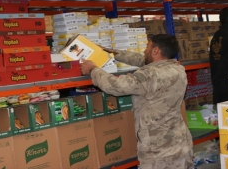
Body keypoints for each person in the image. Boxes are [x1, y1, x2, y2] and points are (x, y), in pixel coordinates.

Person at [80, 35, 193, 168]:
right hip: (181, 144)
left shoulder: (150, 75)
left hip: (159, 153)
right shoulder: (177, 69)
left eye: (147, 47)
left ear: (155, 50)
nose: (145, 51)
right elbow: (142, 60)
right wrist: (109, 52)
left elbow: (116, 86)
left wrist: (93, 69)